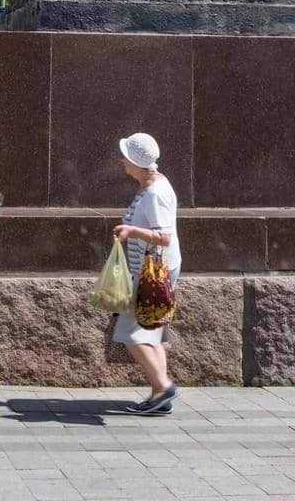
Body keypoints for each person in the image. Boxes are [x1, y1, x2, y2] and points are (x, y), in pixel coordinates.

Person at [112, 131, 180, 416]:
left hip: (153, 271)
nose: (121, 161)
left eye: (125, 157)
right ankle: (158, 396)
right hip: (150, 267)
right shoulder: (152, 184)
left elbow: (164, 236)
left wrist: (131, 231)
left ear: (135, 161)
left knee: (129, 332)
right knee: (151, 333)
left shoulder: (154, 193)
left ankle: (163, 386)